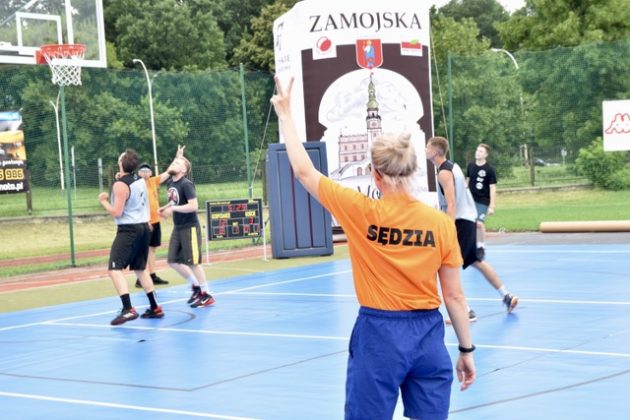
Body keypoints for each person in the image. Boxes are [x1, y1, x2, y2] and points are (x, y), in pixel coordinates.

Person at [271, 77, 475, 420]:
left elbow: (304, 171)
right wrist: (466, 349)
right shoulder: (439, 223)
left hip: (380, 335)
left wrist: (286, 113)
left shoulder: (361, 211)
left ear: (376, 175)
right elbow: (454, 297)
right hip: (428, 336)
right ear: (413, 170)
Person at [426, 136, 518, 322]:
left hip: (459, 222)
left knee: (446, 266)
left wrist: (448, 230)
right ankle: (506, 296)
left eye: (428, 147)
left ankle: (466, 312)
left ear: (435, 152)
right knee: (476, 261)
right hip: (466, 219)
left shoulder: (444, 173)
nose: (425, 150)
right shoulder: (455, 167)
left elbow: (451, 204)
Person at [98, 149, 164, 326]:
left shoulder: (120, 185)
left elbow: (117, 212)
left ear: (121, 163)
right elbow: (137, 194)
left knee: (114, 268)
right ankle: (155, 307)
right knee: (141, 269)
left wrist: (104, 201)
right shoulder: (141, 181)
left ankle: (128, 309)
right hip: (144, 227)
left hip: (129, 230)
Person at [158, 149, 215, 308]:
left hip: (190, 227)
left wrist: (173, 209)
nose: (173, 164)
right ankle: (196, 287)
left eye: (177, 163)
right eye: (174, 162)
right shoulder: (171, 183)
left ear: (183, 170)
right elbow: (173, 202)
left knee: (193, 263)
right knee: (173, 261)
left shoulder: (186, 184)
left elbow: (193, 206)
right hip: (178, 227)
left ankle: (207, 294)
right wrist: (164, 208)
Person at [134, 162, 169, 288]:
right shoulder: (136, 185)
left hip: (155, 220)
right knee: (143, 249)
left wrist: (178, 158)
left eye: (147, 171)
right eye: (142, 171)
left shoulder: (153, 181)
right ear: (138, 173)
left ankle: (152, 275)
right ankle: (140, 278)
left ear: (151, 173)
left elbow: (168, 173)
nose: (144, 173)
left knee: (152, 248)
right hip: (145, 222)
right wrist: (145, 220)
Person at [466, 143, 497, 259]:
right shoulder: (470, 165)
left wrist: (492, 205)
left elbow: (492, 187)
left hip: (483, 201)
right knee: (470, 224)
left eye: (481, 152)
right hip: (470, 200)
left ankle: (481, 247)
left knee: (479, 224)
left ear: (486, 155)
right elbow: (467, 182)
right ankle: (472, 245)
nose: (478, 153)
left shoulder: (490, 169)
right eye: (477, 150)